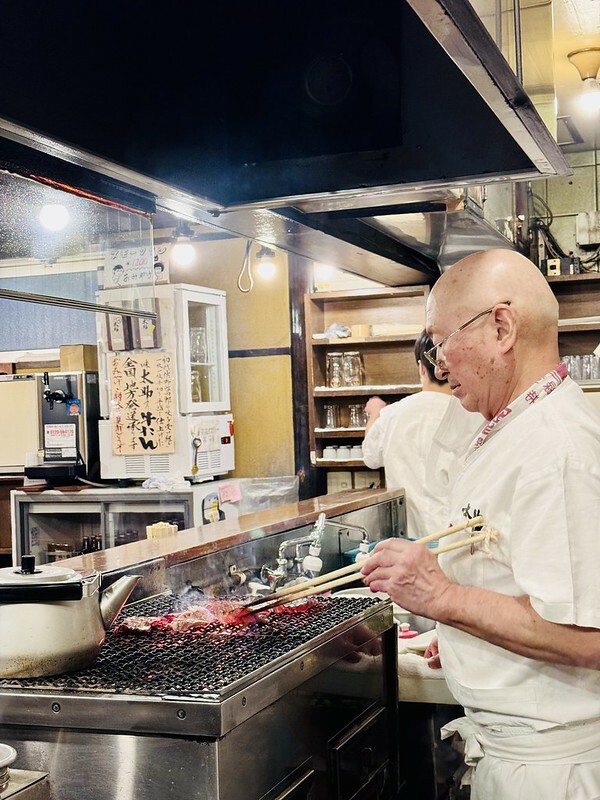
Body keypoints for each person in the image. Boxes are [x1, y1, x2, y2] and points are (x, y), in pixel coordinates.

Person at [361, 248, 600, 799]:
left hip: (553, 774)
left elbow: (588, 636)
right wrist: (469, 639)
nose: (439, 365)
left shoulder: (557, 448)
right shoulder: (516, 426)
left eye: (441, 341)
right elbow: (519, 583)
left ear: (501, 328)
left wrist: (441, 597)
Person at [362, 330, 481, 538]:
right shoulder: (473, 414)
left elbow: (370, 457)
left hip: (409, 541)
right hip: (458, 539)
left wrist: (375, 412)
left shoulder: (392, 414)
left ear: (421, 368)